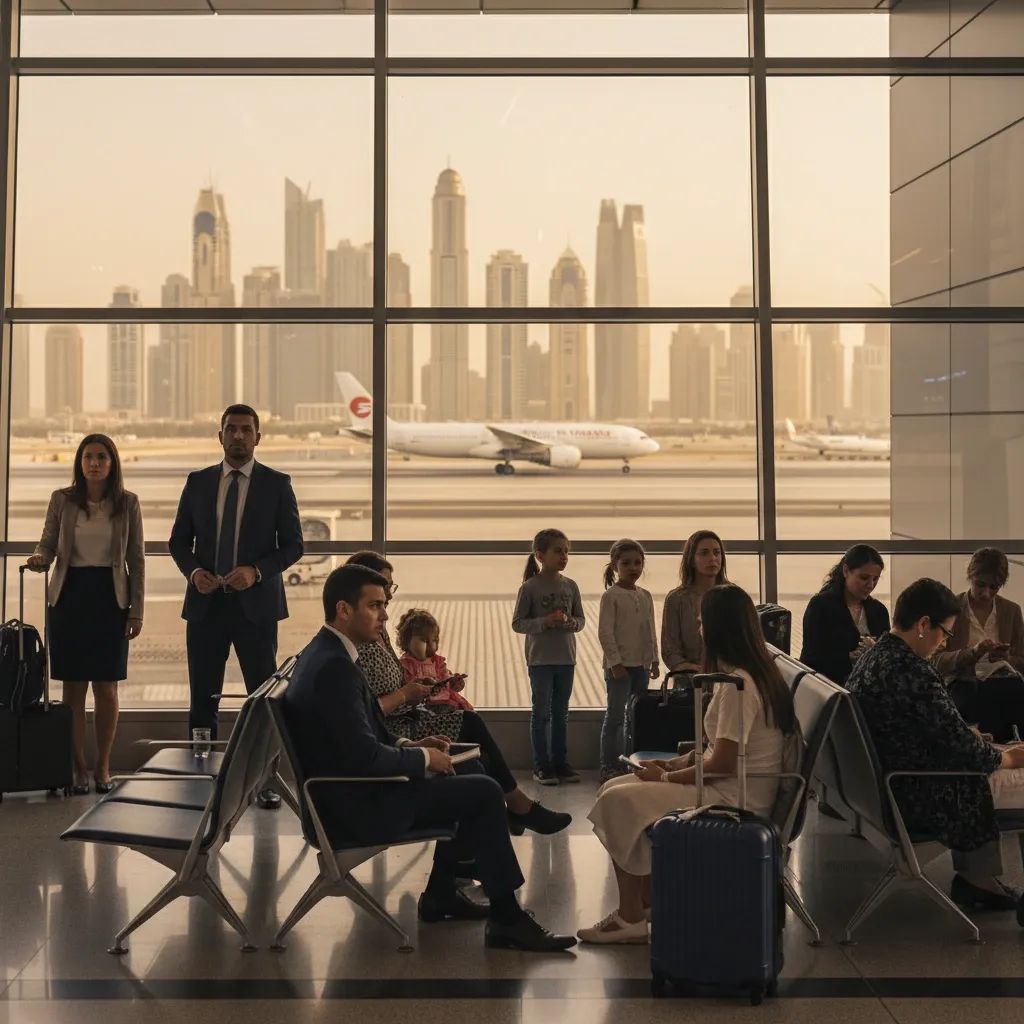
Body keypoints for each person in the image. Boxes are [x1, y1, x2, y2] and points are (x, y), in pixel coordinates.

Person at [281, 564, 576, 952]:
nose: (385, 615)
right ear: (343, 610)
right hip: (356, 804)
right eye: (375, 605)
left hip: (353, 788)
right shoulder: (334, 667)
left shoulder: (330, 653)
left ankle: (441, 893)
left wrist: (411, 747)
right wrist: (423, 762)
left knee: (468, 765)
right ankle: (506, 918)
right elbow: (363, 757)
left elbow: (357, 737)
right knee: (485, 792)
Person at [580, 584, 796, 944]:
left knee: (616, 801)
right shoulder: (749, 675)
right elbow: (715, 750)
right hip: (731, 783)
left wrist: (670, 775)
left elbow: (724, 763)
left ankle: (631, 917)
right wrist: (671, 769)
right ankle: (645, 902)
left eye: (701, 622)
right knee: (613, 788)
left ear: (716, 628)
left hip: (733, 797)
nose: (698, 630)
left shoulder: (739, 686)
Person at [346, 551, 570, 837]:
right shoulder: (356, 646)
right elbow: (366, 710)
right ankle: (515, 808)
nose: (389, 597)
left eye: (390, 588)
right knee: (471, 727)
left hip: (405, 719)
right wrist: (405, 694)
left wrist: (427, 684)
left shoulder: (378, 633)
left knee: (476, 753)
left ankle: (499, 824)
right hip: (395, 729)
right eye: (385, 588)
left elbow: (390, 682)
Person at [847, 578, 1024, 913]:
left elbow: (928, 726)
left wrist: (967, 736)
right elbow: (965, 753)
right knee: (1017, 770)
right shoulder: (913, 670)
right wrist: (1010, 758)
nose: (944, 642)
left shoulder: (876, 657)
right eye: (945, 632)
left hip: (887, 783)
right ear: (923, 624)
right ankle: (978, 882)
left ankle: (978, 880)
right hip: (919, 789)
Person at [169, 404, 303, 810]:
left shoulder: (277, 484)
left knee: (261, 701)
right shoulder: (197, 482)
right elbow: (178, 543)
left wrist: (257, 572)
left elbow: (294, 545)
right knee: (201, 699)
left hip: (255, 609)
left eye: (247, 430)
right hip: (206, 606)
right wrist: (194, 574)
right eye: (232, 429)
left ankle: (264, 781)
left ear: (258, 437)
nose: (239, 436)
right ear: (220, 435)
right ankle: (200, 779)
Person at [26, 434, 144, 795]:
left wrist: (136, 611)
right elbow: (48, 540)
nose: (94, 463)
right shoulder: (62, 500)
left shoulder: (127, 503)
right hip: (70, 597)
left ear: (112, 463)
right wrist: (40, 557)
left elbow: (136, 561)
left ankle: (103, 766)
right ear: (79, 462)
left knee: (106, 688)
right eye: (88, 457)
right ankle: (77, 766)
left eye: (102, 457)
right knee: (72, 690)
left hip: (110, 600)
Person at [512, 528, 584, 786]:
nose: (564, 556)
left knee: (561, 712)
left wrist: (568, 623)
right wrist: (545, 622)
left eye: (566, 551)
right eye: (558, 551)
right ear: (541, 555)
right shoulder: (529, 587)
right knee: (541, 712)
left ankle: (560, 762)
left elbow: (581, 620)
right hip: (540, 659)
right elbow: (518, 623)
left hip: (566, 658)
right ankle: (541, 765)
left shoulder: (571, 586)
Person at [932, 548, 1024, 743]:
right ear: (970, 576)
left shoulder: (1011, 611)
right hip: (964, 684)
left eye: (994, 587)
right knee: (984, 694)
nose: (986, 593)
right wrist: (972, 653)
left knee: (1010, 689)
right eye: (980, 584)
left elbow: (1022, 659)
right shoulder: (951, 609)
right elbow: (935, 660)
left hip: (1003, 682)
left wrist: (1006, 658)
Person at [598, 538, 659, 783]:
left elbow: (650, 629)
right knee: (614, 716)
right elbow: (605, 632)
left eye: (637, 563)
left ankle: (632, 762)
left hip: (641, 666)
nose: (633, 568)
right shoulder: (611, 596)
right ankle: (607, 765)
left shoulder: (645, 596)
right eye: (626, 563)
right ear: (615, 566)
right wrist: (615, 662)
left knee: (636, 715)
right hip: (619, 668)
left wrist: (653, 659)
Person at [800, 544, 890, 685]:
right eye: (864, 577)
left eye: (876, 579)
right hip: (831, 688)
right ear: (846, 571)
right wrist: (847, 658)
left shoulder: (878, 611)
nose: (870, 585)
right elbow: (810, 658)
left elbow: (887, 656)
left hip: (869, 690)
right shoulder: (821, 606)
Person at [661, 529, 727, 674]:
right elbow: (670, 648)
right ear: (691, 559)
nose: (712, 558)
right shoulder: (676, 599)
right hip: (688, 676)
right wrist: (687, 667)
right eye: (704, 553)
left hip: (727, 676)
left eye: (717, 553)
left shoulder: (733, 596)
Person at [396, 608, 474, 712]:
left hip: (446, 703)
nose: (429, 644)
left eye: (433, 640)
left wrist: (455, 682)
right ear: (406, 642)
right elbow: (405, 693)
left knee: (468, 716)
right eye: (423, 640)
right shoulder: (404, 665)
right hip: (424, 709)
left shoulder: (437, 662)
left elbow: (448, 685)